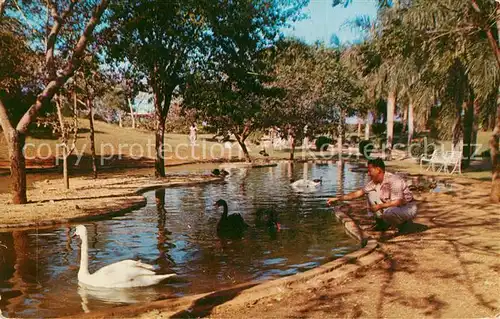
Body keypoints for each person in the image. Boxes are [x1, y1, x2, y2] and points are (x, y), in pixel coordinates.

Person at [327, 158, 417, 231]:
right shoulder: (375, 182)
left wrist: (379, 206)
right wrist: (337, 199)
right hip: (394, 207)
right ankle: (381, 223)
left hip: (407, 207)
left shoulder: (394, 180)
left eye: (370, 171)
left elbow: (399, 201)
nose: (368, 174)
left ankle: (404, 226)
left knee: (389, 213)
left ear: (378, 170)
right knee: (371, 194)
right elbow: (358, 193)